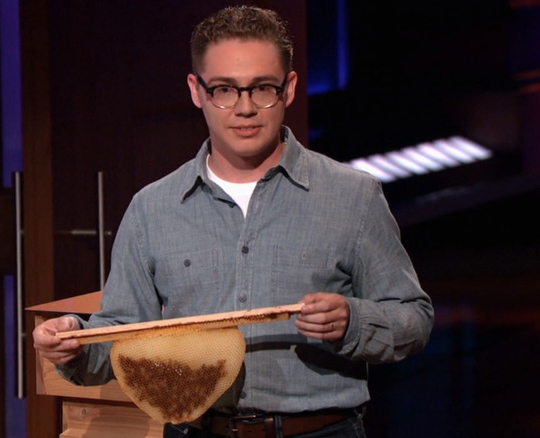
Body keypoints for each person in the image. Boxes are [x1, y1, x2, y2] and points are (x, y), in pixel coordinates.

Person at [33, 5, 433, 438]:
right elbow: (123, 336)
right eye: (224, 89)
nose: (244, 108)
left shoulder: (352, 196)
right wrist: (74, 343)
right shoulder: (152, 208)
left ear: (290, 88)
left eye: (262, 88)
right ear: (196, 90)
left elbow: (414, 318)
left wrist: (353, 321)